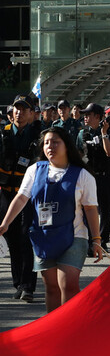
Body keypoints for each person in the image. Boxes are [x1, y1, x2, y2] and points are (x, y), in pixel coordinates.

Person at [0, 127, 104, 312]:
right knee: (52, 286)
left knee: (68, 285)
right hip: (43, 236)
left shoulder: (83, 175)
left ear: (66, 146)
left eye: (56, 142)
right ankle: (55, 333)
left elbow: (90, 208)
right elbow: (21, 198)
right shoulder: (34, 170)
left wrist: (96, 239)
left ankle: (72, 329)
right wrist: (5, 223)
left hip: (74, 236)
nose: (50, 146)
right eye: (47, 143)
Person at [0, 95, 42, 302]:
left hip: (30, 196)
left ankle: (28, 286)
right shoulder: (3, 134)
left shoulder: (40, 135)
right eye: (17, 108)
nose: (19, 112)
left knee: (28, 239)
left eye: (24, 109)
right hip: (7, 193)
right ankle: (18, 283)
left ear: (32, 113)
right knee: (13, 239)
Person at [77, 103, 110, 251]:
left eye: (88, 115)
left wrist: (104, 133)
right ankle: (88, 240)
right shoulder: (82, 134)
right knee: (86, 208)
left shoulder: (109, 131)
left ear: (98, 117)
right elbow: (78, 154)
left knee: (105, 210)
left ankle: (101, 241)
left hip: (104, 176)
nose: (85, 118)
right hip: (87, 177)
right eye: (84, 115)